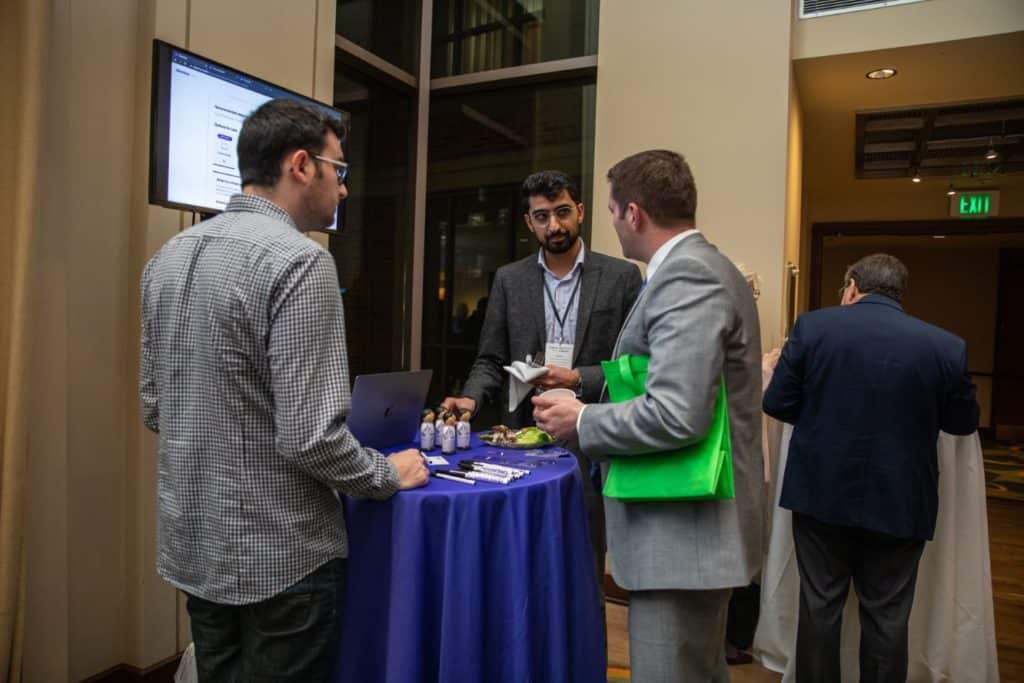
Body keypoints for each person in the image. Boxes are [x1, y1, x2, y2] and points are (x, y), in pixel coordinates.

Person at [139, 98, 428, 682]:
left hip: (194, 542)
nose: (343, 189)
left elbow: (154, 408)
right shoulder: (301, 262)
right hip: (282, 557)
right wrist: (384, 475)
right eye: (339, 170)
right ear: (301, 165)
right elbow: (310, 437)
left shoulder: (166, 258)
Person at [532, 150, 765, 682]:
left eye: (613, 212)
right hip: (689, 533)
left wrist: (583, 420)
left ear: (632, 213)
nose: (614, 225)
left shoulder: (687, 277)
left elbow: (678, 413)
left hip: (684, 534)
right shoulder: (703, 267)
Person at [762, 253, 979, 683]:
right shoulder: (945, 346)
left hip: (821, 494)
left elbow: (777, 403)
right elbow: (962, 422)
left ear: (853, 286)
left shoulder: (814, 327)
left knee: (820, 607)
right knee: (888, 617)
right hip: (902, 500)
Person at [442, 170, 642, 622]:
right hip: (520, 441)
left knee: (584, 562)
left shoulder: (621, 277)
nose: (555, 226)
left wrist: (576, 379)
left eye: (563, 212)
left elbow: (631, 367)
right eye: (542, 216)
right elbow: (490, 358)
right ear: (527, 223)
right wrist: (471, 400)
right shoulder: (510, 280)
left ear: (581, 211)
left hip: (590, 440)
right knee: (521, 562)